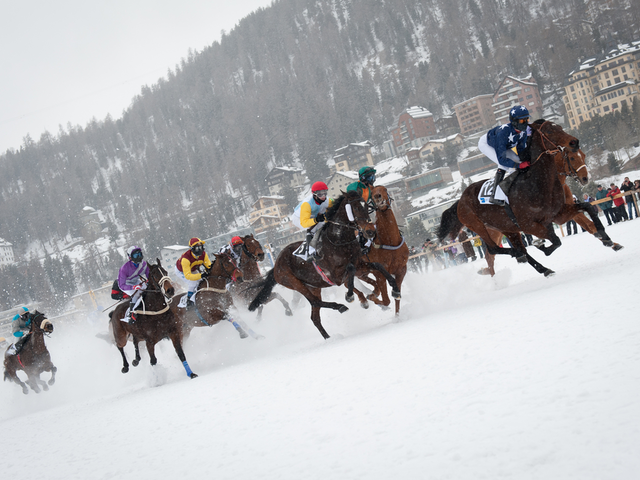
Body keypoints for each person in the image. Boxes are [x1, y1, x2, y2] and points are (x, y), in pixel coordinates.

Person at [478, 105, 531, 205]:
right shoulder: (503, 133)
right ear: (514, 121)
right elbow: (502, 159)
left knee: (518, 160)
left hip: (504, 146)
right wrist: (519, 165)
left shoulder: (523, 133)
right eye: (522, 121)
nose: (526, 123)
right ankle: (494, 196)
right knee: (504, 165)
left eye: (527, 119)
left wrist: (526, 161)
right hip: (486, 144)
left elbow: (520, 151)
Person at [291, 181, 333, 260]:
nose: (323, 197)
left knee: (324, 224)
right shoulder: (307, 204)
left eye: (325, 193)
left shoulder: (328, 200)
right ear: (314, 194)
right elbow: (304, 223)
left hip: (313, 215)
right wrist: (316, 219)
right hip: (299, 218)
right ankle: (309, 252)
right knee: (315, 227)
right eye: (320, 195)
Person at [174, 237, 212, 308]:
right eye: (197, 248)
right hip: (181, 271)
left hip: (193, 269)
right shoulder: (186, 258)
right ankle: (189, 300)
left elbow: (209, 266)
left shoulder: (204, 254)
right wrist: (201, 275)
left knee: (201, 281)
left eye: (201, 247)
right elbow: (188, 275)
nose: (200, 249)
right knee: (193, 282)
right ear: (192, 249)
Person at [346, 166, 377, 253]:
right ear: (363, 178)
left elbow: (372, 200)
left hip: (363, 211)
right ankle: (360, 243)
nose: (372, 179)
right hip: (353, 210)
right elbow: (350, 193)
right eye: (370, 177)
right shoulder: (355, 186)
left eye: (373, 176)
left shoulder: (370, 188)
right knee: (360, 225)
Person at [118, 246, 150, 324]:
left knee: (148, 289)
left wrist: (148, 280)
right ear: (130, 257)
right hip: (126, 284)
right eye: (136, 255)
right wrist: (133, 287)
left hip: (136, 281)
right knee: (137, 293)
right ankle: (131, 314)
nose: (139, 257)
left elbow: (148, 275)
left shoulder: (144, 264)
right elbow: (121, 285)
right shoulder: (124, 268)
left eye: (140, 254)